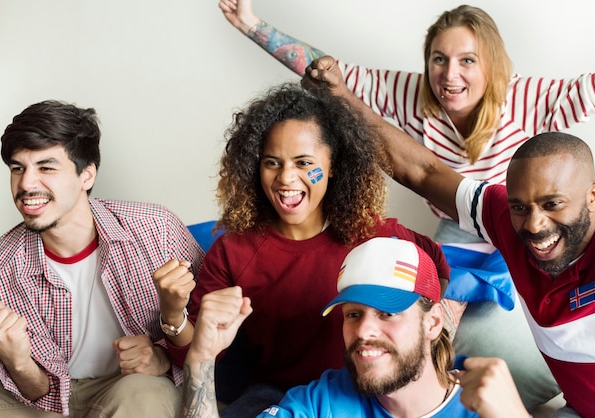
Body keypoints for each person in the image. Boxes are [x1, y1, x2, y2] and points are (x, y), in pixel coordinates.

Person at [218, 1, 595, 408]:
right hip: (477, 221)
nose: (450, 73)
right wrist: (253, 25)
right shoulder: (418, 100)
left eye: (467, 60)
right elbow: (420, 170)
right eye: (439, 59)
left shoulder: (530, 97)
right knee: (434, 318)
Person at [302, 66, 595, 416]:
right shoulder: (508, 220)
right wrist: (339, 98)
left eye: (553, 205)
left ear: (594, 196)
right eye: (520, 206)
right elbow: (424, 172)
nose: (535, 225)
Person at [154, 83, 452, 417]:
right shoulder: (234, 249)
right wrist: (172, 314)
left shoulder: (374, 234)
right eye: (272, 162)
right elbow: (193, 357)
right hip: (276, 395)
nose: (286, 178)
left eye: (303, 162)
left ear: (334, 164)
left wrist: (428, 338)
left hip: (362, 387)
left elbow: (436, 267)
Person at [0, 100, 204, 417]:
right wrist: (18, 362)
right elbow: (38, 391)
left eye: (46, 167)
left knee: (145, 393)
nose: (26, 183)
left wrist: (164, 357)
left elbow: (211, 326)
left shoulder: (157, 230)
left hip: (130, 389)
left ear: (86, 176)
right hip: (44, 400)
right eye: (18, 168)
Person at [180, 238, 529, 418]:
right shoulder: (324, 402)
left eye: (387, 314)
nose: (363, 331)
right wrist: (202, 358)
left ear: (433, 322)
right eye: (353, 314)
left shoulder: (487, 402)